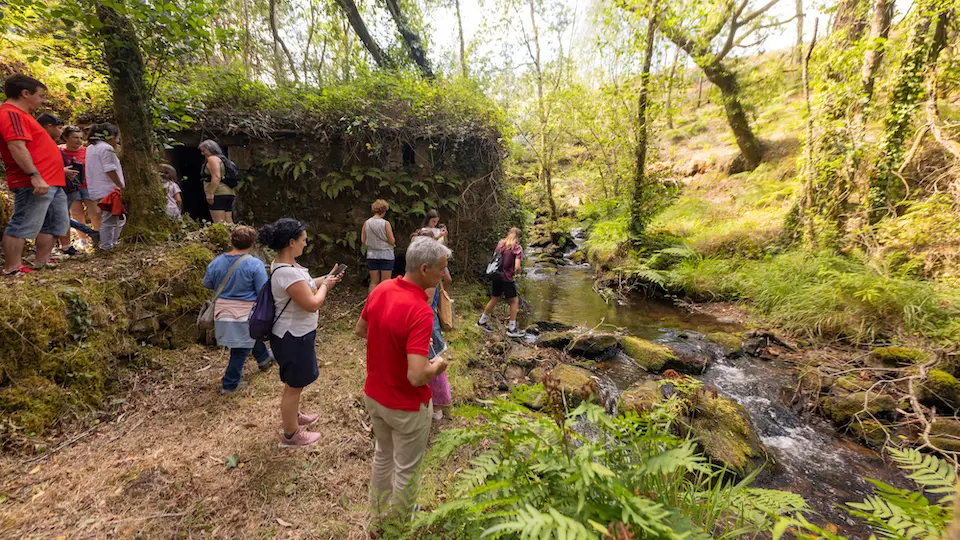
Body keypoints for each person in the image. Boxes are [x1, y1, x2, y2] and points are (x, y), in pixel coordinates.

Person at [355, 237, 451, 523]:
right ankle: (399, 525)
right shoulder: (420, 311)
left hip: (375, 395)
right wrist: (438, 365)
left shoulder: (382, 289)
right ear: (424, 269)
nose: (444, 276)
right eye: (441, 270)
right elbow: (416, 375)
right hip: (406, 407)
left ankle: (378, 517)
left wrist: (390, 345)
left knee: (383, 455)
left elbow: (361, 329)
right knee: (407, 468)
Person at [258, 218, 340, 447]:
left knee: (295, 383)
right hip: (292, 336)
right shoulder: (287, 272)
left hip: (294, 334)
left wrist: (325, 279)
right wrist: (324, 288)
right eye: (303, 241)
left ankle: (293, 417)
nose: (306, 244)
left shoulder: (286, 267)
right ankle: (291, 434)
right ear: (291, 242)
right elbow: (312, 303)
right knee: (294, 386)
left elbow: (304, 286)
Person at [0, 74, 68, 276]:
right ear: (25, 93)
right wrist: (34, 175)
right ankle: (13, 268)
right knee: (23, 223)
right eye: (40, 96)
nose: (43, 101)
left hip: (53, 180)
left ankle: (42, 262)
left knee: (52, 224)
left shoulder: (25, 116)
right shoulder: (11, 114)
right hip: (35, 181)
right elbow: (16, 146)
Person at [202, 226, 274, 394]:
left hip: (222, 312)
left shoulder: (217, 261)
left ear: (231, 241)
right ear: (252, 243)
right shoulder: (254, 264)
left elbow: (206, 283)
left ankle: (264, 359)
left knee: (247, 338)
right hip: (244, 314)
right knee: (240, 349)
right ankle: (230, 383)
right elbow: (262, 290)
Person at [38, 114, 87, 256]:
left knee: (62, 216)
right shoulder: (48, 145)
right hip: (55, 185)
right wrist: (62, 171)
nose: (78, 141)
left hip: (71, 186)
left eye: (80, 138)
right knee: (56, 216)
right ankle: (54, 249)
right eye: (59, 128)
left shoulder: (50, 143)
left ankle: (59, 247)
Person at [477, 227, 524, 338]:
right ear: (519, 238)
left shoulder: (501, 244)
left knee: (494, 298)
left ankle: (481, 321)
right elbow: (517, 266)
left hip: (496, 276)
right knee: (514, 301)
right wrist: (515, 272)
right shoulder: (517, 248)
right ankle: (512, 329)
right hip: (507, 278)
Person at [85, 123, 125, 250]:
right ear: (110, 136)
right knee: (111, 219)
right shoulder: (106, 148)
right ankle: (107, 246)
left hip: (97, 188)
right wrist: (120, 185)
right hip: (108, 189)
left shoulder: (91, 148)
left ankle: (110, 243)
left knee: (115, 218)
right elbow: (110, 169)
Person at [60, 125, 99, 248]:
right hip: (69, 186)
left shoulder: (87, 151)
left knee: (95, 212)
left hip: (88, 184)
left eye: (80, 138)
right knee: (76, 213)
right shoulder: (59, 151)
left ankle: (99, 237)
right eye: (74, 138)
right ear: (65, 138)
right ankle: (83, 240)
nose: (78, 141)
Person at [361, 199, 396, 294]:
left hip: (372, 255)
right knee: (385, 282)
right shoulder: (386, 223)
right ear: (384, 211)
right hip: (386, 255)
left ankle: (372, 303)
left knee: (373, 282)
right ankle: (384, 304)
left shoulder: (366, 223)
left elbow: (363, 240)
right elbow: (392, 240)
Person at [199, 139, 235, 224]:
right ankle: (235, 236)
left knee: (219, 223)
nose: (202, 153)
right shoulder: (223, 159)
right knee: (229, 221)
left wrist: (210, 194)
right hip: (228, 192)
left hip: (218, 193)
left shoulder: (212, 159)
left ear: (210, 149)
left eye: (204, 151)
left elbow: (216, 176)